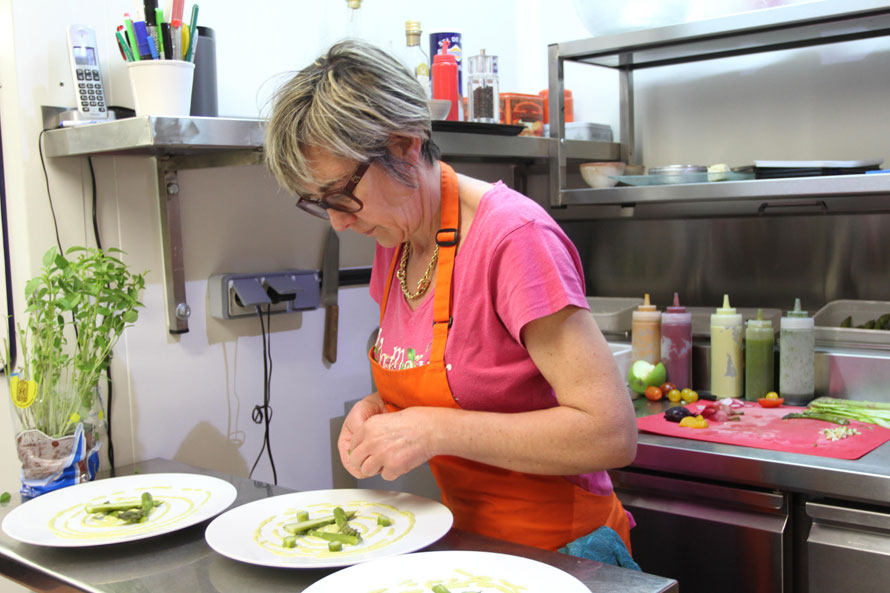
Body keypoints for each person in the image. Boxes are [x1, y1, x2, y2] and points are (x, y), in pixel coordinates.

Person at [264, 39, 639, 559]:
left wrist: (434, 429)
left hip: (566, 552)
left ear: (404, 146)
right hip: (472, 547)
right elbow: (460, 384)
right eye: (318, 203)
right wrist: (379, 412)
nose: (338, 221)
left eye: (341, 194)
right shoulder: (394, 242)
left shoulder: (514, 239)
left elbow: (610, 434)